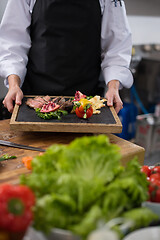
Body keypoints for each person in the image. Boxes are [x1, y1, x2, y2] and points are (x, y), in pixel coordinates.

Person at [0, 0, 133, 114]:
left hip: (87, 100)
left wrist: (113, 87)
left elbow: (116, 46)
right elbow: (13, 43)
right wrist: (13, 85)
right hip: (36, 97)